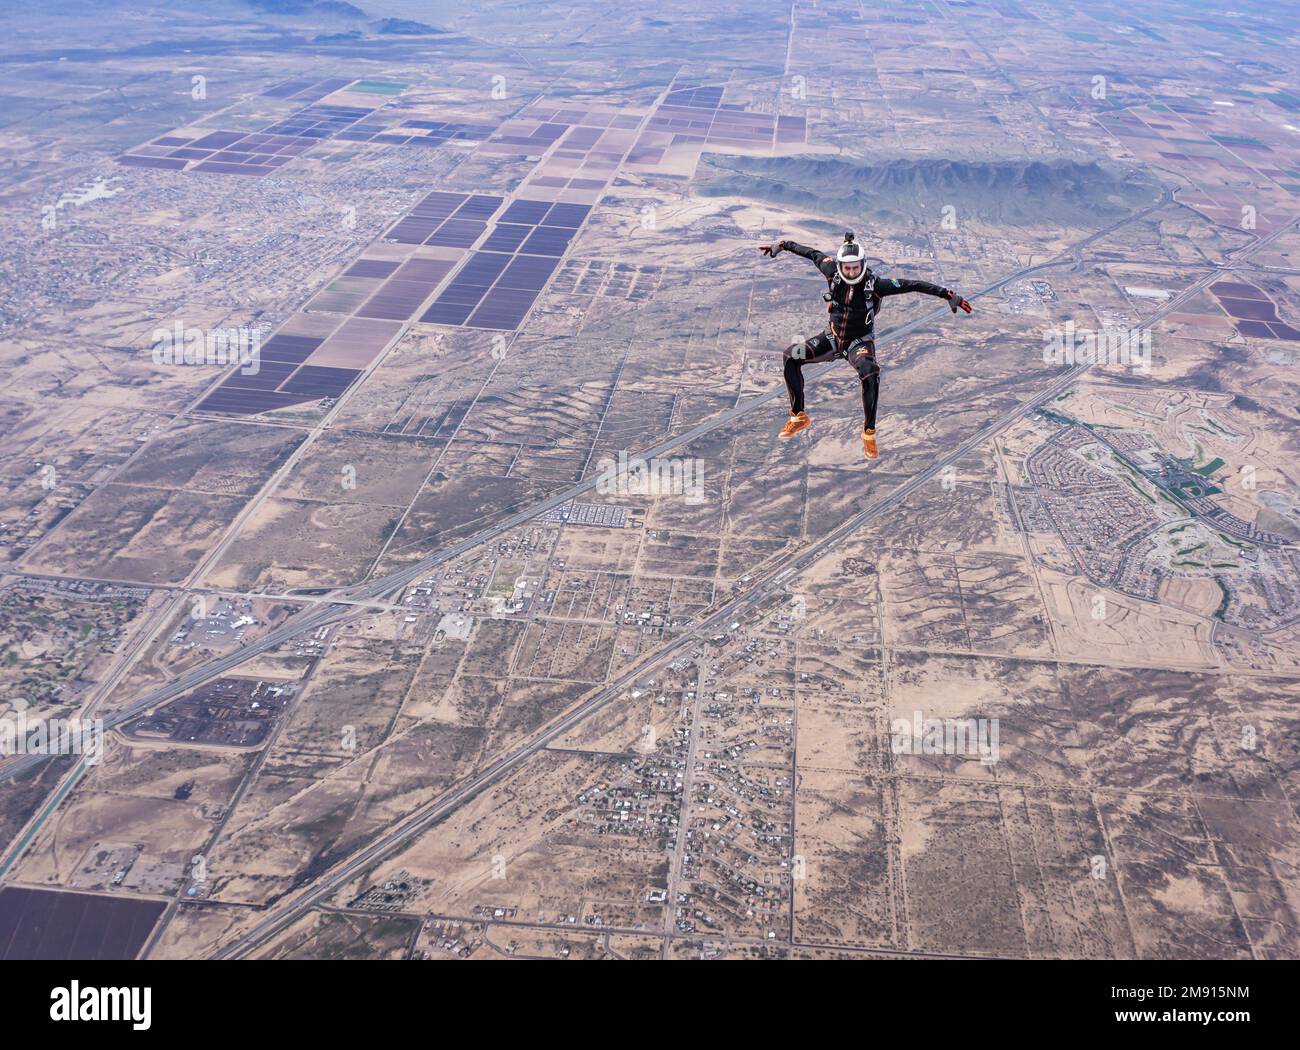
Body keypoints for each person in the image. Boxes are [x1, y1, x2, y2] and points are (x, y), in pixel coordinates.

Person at [759, 231, 972, 460]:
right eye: (847, 268)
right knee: (791, 356)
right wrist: (781, 245)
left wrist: (948, 295)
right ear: (840, 266)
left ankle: (869, 435)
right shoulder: (832, 271)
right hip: (832, 337)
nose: (852, 272)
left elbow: (912, 285)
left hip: (858, 343)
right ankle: (798, 417)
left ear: (863, 265)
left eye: (856, 267)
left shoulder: (876, 285)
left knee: (870, 372)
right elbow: (811, 253)